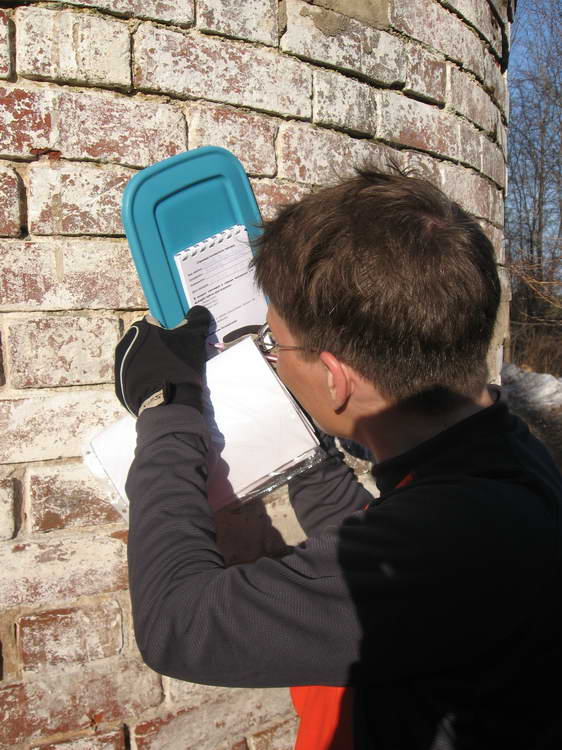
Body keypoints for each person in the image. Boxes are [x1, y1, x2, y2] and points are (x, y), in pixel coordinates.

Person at [115, 168, 562, 750]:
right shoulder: (501, 458)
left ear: (336, 376)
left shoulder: (450, 548)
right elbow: (374, 539)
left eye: (273, 345)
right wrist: (305, 439)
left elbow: (180, 621)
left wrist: (168, 405)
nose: (272, 359)